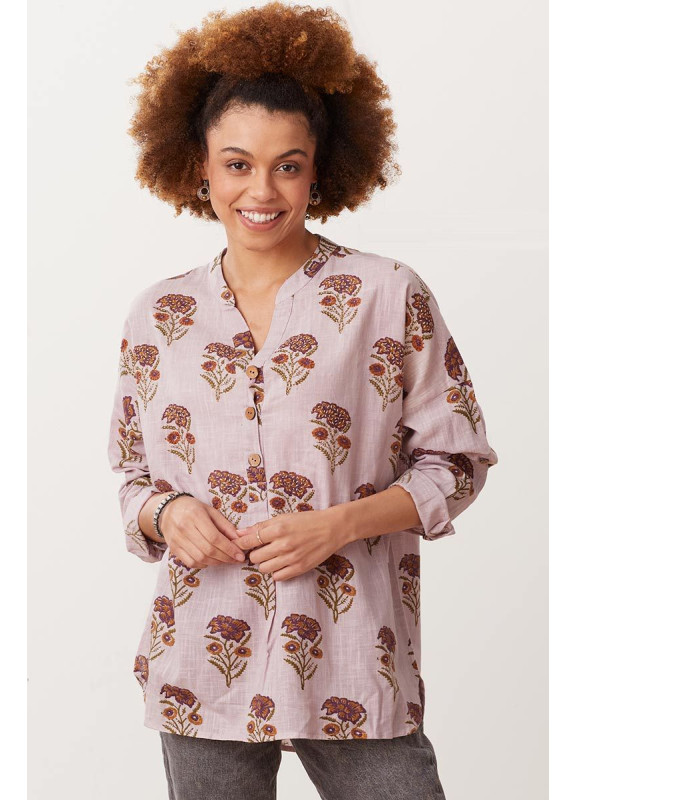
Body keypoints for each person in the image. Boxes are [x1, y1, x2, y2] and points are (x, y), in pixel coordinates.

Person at [107, 3, 498, 798]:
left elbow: (457, 462)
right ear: (199, 168)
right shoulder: (159, 314)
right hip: (201, 662)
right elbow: (132, 476)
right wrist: (165, 513)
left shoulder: (387, 295)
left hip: (353, 653)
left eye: (287, 165)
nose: (261, 189)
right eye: (237, 163)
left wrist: (340, 524)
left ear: (319, 170)